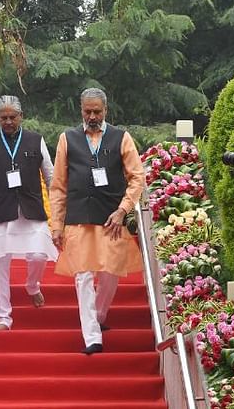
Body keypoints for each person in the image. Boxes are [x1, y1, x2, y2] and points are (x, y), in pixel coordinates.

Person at [49, 88, 146, 355]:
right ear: (81, 110)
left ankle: (100, 315)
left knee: (110, 272)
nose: (92, 116)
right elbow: (58, 186)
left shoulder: (121, 137)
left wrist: (123, 209)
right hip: (78, 217)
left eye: (97, 112)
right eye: (87, 111)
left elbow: (137, 177)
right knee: (82, 277)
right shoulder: (67, 138)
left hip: (111, 218)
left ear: (106, 111)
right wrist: (56, 225)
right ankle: (92, 336)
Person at [0, 95, 58, 331]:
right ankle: (3, 317)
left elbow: (50, 174)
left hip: (31, 207)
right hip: (0, 208)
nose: (8, 121)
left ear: (21, 117)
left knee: (39, 256)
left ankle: (32, 285)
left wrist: (58, 205)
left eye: (13, 117)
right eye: (3, 117)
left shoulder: (36, 140)